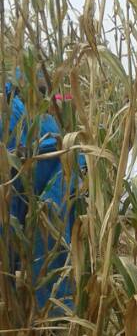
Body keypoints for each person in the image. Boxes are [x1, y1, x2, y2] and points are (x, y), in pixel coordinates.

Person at [0, 77, 84, 312]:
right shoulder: (46, 121)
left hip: (30, 187)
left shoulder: (17, 115)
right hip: (46, 190)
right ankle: (52, 309)